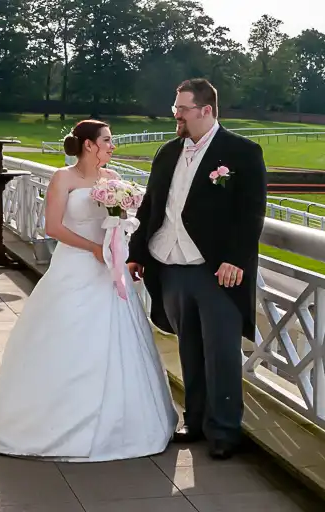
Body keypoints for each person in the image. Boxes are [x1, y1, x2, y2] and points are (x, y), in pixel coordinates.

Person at [0, 120, 178, 461]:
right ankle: (51, 422)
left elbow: (118, 224)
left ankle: (123, 421)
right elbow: (53, 227)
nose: (112, 146)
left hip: (108, 269)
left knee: (119, 337)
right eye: (107, 140)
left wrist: (119, 236)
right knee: (66, 336)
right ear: (89, 145)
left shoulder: (112, 181)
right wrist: (92, 249)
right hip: (75, 266)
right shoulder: (62, 178)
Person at [127, 78, 267, 460]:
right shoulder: (168, 152)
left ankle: (224, 431)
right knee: (188, 348)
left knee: (221, 354)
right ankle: (196, 419)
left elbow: (251, 212)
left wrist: (235, 259)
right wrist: (137, 252)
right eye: (176, 109)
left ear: (206, 110)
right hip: (170, 267)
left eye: (182, 109)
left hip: (216, 271)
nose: (176, 115)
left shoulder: (241, 152)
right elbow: (151, 206)